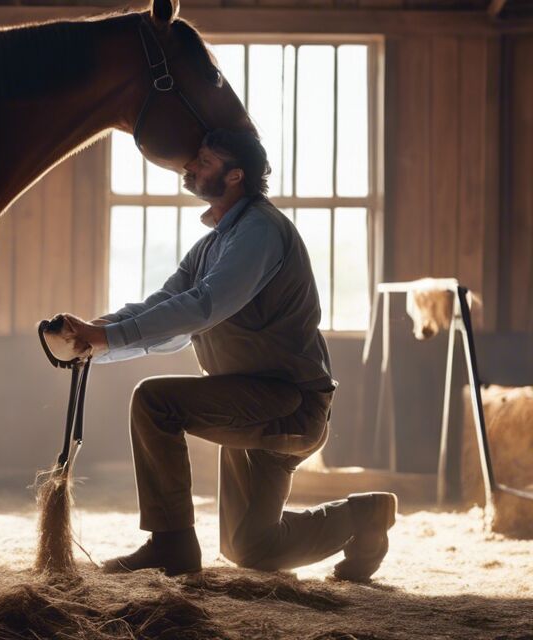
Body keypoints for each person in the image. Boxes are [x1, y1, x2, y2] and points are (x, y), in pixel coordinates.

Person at [56, 128, 396, 581]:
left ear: (235, 176)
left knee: (155, 402)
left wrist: (108, 338)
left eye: (205, 163)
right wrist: (94, 336)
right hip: (248, 401)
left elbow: (202, 307)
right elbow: (164, 304)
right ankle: (364, 517)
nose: (190, 168)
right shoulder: (213, 244)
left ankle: (171, 544)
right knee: (250, 547)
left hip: (288, 405)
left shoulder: (259, 231)